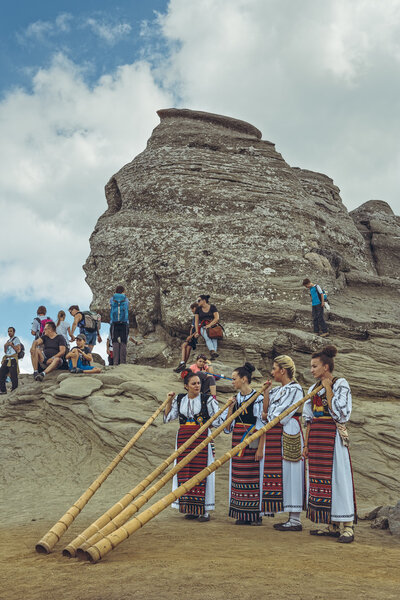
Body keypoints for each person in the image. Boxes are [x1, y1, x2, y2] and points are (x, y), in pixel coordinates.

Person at [302, 345, 357, 543]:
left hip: (332, 437)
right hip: (317, 438)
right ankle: (332, 524)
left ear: (326, 367)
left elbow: (340, 414)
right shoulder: (312, 388)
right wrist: (306, 445)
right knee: (321, 481)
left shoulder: (340, 384)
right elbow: (308, 419)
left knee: (338, 478)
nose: (311, 370)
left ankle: (347, 525)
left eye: (315, 366)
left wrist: (328, 389)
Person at [164, 370, 225, 521]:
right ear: (186, 386)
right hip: (184, 439)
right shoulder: (180, 399)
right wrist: (169, 400)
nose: (197, 386)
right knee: (185, 472)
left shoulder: (207, 400)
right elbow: (168, 418)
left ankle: (204, 510)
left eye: (199, 383)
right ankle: (190, 508)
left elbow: (217, 421)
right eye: (194, 384)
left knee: (202, 472)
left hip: (202, 440)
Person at [260, 355, 305, 531]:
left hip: (288, 430)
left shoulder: (296, 389)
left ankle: (295, 519)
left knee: (291, 470)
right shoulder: (277, 390)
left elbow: (283, 414)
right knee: (281, 471)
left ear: (282, 370)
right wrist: (265, 393)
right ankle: (289, 515)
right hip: (275, 431)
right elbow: (266, 411)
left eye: (274, 368)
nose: (272, 372)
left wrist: (269, 415)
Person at [224, 363, 265, 525]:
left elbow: (262, 425)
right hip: (237, 440)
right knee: (238, 475)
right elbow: (227, 427)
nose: (232, 381)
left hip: (252, 440)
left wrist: (260, 448)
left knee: (252, 475)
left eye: (234, 379)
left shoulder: (258, 398)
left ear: (244, 379)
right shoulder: (236, 399)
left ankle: (255, 515)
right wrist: (230, 408)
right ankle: (242, 513)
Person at [174, 302, 199, 373]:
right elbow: (192, 327)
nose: (192, 311)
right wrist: (190, 335)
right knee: (187, 348)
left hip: (195, 335)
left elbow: (198, 328)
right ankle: (182, 364)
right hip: (192, 335)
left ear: (196, 308)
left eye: (192, 309)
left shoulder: (199, 316)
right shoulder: (195, 316)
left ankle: (182, 363)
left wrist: (191, 336)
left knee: (184, 345)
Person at [194, 295, 220, 361]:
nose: (198, 302)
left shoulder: (212, 307)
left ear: (204, 300)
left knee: (214, 338)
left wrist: (210, 325)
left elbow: (217, 318)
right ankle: (213, 351)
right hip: (203, 326)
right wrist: (197, 331)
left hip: (212, 325)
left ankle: (213, 355)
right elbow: (196, 321)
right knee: (207, 337)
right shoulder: (198, 309)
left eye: (199, 300)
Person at [110, 285, 129, 365]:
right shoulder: (126, 299)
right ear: (123, 291)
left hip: (114, 323)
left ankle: (115, 362)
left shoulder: (112, 299)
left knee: (114, 341)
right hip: (124, 323)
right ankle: (123, 362)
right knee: (123, 341)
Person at [0, 327, 21, 394]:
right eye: (8, 331)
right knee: (1, 373)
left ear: (14, 332)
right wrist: (5, 346)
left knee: (13, 375)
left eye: (11, 331)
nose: (9, 332)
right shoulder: (8, 341)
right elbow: (5, 352)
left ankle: (15, 390)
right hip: (7, 358)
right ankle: (3, 390)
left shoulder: (16, 339)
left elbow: (18, 350)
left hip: (12, 359)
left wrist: (12, 345)